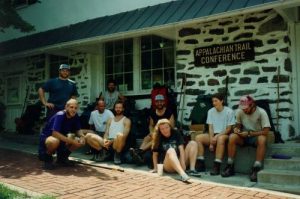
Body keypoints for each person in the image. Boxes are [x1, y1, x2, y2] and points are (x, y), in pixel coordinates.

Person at [221, 95, 271, 182]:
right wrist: (237, 129)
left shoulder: (262, 112)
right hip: (243, 137)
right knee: (232, 137)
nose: (244, 110)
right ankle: (230, 166)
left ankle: (256, 168)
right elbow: (238, 125)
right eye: (242, 108)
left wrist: (249, 134)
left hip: (256, 137)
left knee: (262, 139)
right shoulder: (240, 111)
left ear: (252, 105)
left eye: (246, 108)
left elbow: (266, 131)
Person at [38, 99, 85, 170]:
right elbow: (55, 133)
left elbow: (78, 129)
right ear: (66, 107)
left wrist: (82, 137)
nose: (73, 110)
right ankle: (47, 159)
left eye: (75, 108)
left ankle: (62, 158)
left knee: (79, 140)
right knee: (54, 141)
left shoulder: (75, 116)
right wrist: (72, 141)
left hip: (62, 139)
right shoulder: (60, 115)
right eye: (71, 107)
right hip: (49, 139)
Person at [195, 93, 235, 175]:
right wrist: (211, 142)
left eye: (216, 101)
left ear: (222, 101)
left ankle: (217, 165)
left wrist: (217, 136)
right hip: (213, 135)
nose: (214, 103)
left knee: (220, 139)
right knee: (198, 138)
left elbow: (228, 129)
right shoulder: (210, 111)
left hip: (225, 135)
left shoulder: (229, 111)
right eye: (213, 101)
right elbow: (211, 128)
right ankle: (201, 163)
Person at [130, 94, 175, 166]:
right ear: (155, 103)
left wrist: (160, 132)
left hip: (166, 133)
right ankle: (138, 155)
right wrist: (151, 132)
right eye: (157, 102)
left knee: (155, 138)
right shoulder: (153, 112)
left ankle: (139, 152)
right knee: (147, 137)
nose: (159, 103)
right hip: (156, 132)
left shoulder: (169, 112)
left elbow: (171, 126)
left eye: (161, 101)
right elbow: (151, 125)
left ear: (164, 102)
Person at [85, 100, 131, 165]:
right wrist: (105, 140)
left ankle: (117, 156)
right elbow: (106, 133)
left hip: (117, 143)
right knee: (88, 136)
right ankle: (104, 153)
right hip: (108, 143)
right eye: (116, 107)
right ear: (114, 108)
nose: (118, 109)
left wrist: (111, 141)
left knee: (120, 135)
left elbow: (124, 136)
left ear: (123, 109)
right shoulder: (110, 120)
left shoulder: (127, 120)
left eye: (120, 108)